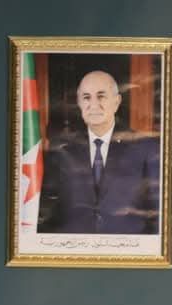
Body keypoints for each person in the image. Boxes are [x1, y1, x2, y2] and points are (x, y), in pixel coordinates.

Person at [37, 70, 160, 235]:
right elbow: (47, 212)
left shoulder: (145, 147)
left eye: (101, 96)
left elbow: (158, 216)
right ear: (79, 103)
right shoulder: (63, 149)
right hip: (73, 248)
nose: (93, 105)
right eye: (86, 97)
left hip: (127, 248)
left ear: (117, 101)